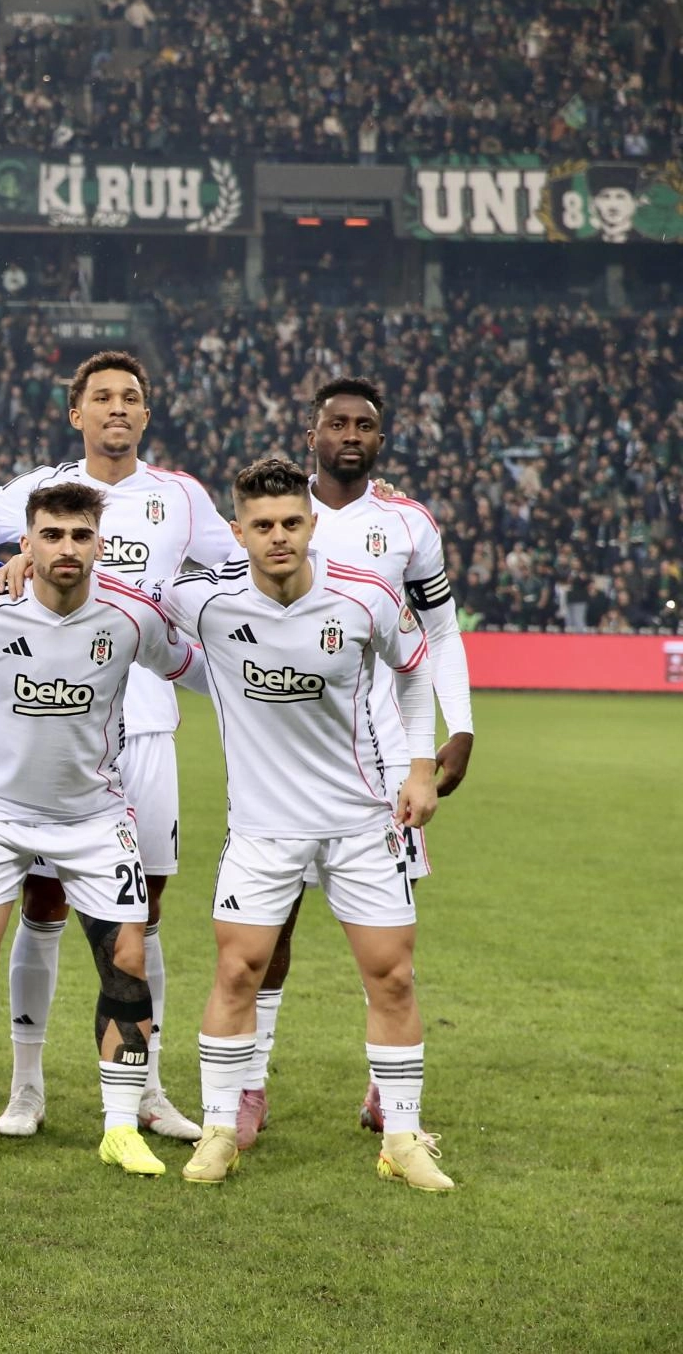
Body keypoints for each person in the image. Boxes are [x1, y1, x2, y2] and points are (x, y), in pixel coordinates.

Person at [0, 483, 204, 1177]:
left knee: (126, 959)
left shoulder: (131, 618)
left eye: (80, 535)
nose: (67, 548)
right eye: (52, 535)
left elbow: (198, 670)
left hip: (95, 816)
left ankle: (121, 1128)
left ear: (100, 545)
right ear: (25, 544)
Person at [157, 458, 451, 1192]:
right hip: (263, 829)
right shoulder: (206, 602)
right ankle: (219, 1130)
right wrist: (19, 569)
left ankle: (403, 1138)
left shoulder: (364, 596)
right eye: (262, 525)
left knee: (392, 975)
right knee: (237, 971)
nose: (279, 536)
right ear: (238, 533)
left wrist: (420, 768)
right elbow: (111, 588)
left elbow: (416, 668)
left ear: (312, 524)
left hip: (361, 822)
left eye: (291, 522)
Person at [0, 350, 235, 1142]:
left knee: (144, 912)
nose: (116, 408)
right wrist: (8, 560)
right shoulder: (33, 491)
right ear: (75, 412)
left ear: (146, 414)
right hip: (55, 726)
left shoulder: (180, 497)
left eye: (130, 397)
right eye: (102, 397)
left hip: (147, 723)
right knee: (43, 903)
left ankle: (147, 1087)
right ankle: (26, 1087)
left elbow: (240, 569)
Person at [238, 377, 475, 1144]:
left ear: (380, 439)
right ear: (310, 435)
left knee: (388, 936)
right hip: (282, 751)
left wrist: (461, 727)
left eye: (363, 425)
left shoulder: (407, 522)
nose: (349, 435)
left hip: (381, 758)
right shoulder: (274, 513)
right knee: (269, 933)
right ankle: (248, 1086)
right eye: (335, 423)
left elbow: (439, 633)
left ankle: (385, 1090)